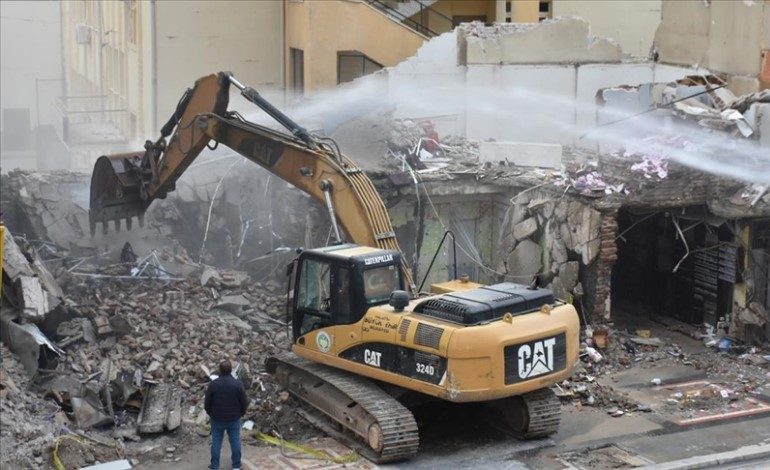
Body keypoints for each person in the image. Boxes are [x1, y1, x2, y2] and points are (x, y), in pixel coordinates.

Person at [205, 360, 248, 470]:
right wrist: (241, 413)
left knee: (216, 442)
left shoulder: (213, 384)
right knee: (235, 441)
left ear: (220, 370)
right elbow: (244, 401)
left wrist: (210, 413)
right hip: (234, 418)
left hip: (217, 418)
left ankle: (215, 466)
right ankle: (236, 466)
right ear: (231, 371)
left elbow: (207, 402)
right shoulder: (237, 384)